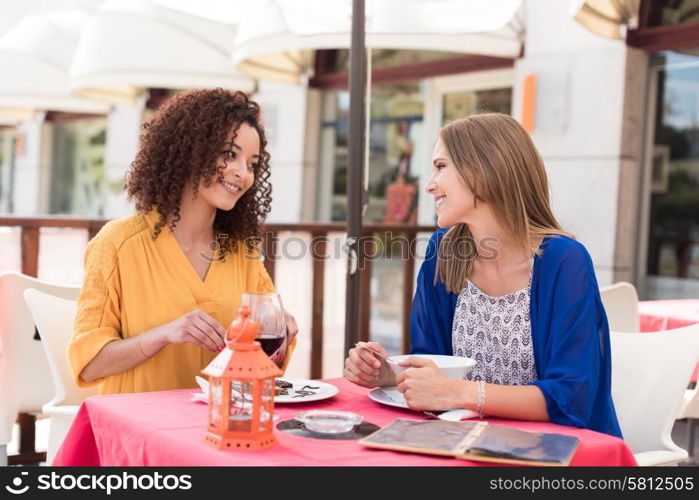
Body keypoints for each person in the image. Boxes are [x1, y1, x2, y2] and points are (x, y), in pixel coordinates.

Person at [344, 113, 622, 437]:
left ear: (482, 170)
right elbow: (433, 362)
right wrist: (390, 374)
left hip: (552, 451)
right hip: (462, 443)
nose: (430, 184)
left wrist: (458, 393)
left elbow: (572, 398)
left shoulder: (563, 262)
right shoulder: (444, 252)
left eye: (441, 167)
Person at [68, 88, 297, 395]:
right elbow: (89, 364)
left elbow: (268, 367)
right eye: (230, 154)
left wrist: (282, 332)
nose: (243, 174)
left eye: (252, 163)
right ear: (192, 150)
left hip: (220, 428)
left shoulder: (240, 249)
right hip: (139, 429)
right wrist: (163, 335)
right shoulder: (118, 244)